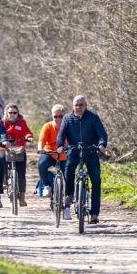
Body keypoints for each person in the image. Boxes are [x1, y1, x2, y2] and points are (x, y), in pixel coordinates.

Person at [57, 94, 109, 224]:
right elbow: (61, 135)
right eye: (76, 105)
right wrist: (60, 146)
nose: (78, 107)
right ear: (72, 106)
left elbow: (102, 134)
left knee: (96, 180)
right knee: (68, 170)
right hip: (74, 151)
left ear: (86, 105)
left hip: (90, 151)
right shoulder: (67, 118)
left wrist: (102, 145)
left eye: (81, 105)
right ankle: (69, 198)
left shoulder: (93, 118)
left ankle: (94, 213)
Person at [1, 103, 34, 206]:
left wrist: (29, 137)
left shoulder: (22, 122)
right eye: (10, 112)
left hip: (19, 148)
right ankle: (3, 179)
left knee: (21, 173)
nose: (12, 114)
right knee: (1, 157)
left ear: (18, 113)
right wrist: (3, 141)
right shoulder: (2, 122)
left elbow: (27, 132)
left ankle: (22, 197)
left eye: (14, 113)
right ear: (6, 113)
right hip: (4, 147)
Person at [37, 104, 68, 204]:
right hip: (50, 152)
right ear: (52, 116)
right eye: (55, 116)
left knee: (69, 175)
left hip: (65, 155)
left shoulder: (69, 126)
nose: (58, 119)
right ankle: (47, 185)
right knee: (41, 164)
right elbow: (42, 140)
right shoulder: (48, 126)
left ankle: (69, 196)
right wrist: (40, 149)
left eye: (60, 116)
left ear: (64, 116)